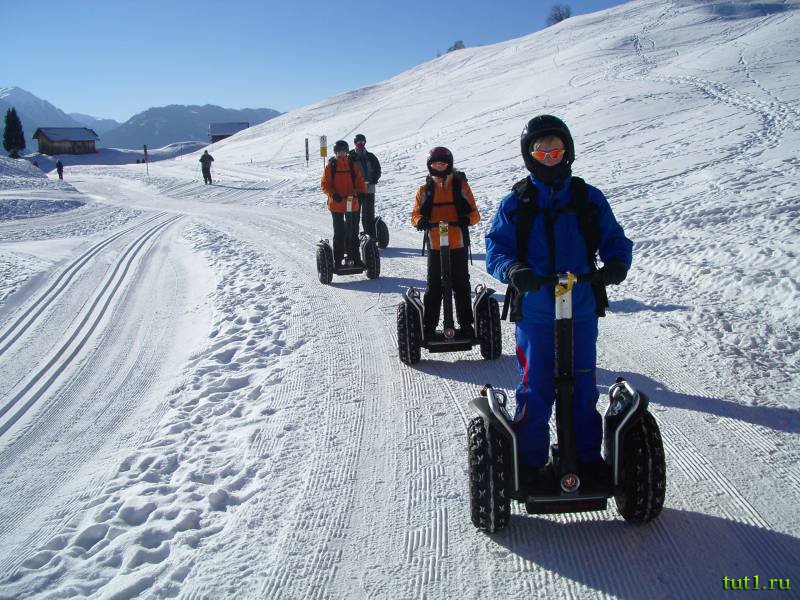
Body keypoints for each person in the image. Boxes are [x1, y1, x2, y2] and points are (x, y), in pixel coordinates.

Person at [485, 115, 633, 483]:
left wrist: (616, 262)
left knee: (582, 386)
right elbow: (496, 248)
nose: (550, 158)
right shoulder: (516, 202)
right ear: (530, 156)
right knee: (535, 388)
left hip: (580, 306)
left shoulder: (587, 198)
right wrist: (513, 270)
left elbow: (614, 238)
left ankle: (585, 459)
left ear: (567, 152)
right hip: (536, 309)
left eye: (556, 151)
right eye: (542, 152)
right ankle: (530, 463)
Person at [411, 147, 480, 339]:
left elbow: (475, 213)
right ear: (430, 166)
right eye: (435, 164)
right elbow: (415, 214)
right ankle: (429, 327)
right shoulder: (424, 190)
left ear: (449, 165)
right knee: (434, 286)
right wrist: (420, 221)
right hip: (435, 245)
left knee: (461, 285)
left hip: (457, 243)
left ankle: (466, 325)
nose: (439, 167)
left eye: (442, 164)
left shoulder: (460, 186)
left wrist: (466, 219)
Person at [321, 140, 367, 267]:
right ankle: (338, 260)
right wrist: (333, 194)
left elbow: (360, 181)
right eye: (339, 152)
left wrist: (361, 192)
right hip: (336, 204)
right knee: (339, 232)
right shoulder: (331, 166)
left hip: (351, 203)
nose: (341, 154)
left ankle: (355, 258)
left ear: (347, 152)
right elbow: (325, 185)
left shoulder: (352, 165)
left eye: (343, 152)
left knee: (353, 231)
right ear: (336, 153)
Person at [348, 134, 382, 239]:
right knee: (354, 214)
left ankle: (370, 237)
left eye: (362, 142)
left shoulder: (370, 156)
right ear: (355, 143)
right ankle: (353, 237)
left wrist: (374, 179)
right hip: (356, 190)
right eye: (358, 142)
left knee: (368, 214)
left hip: (369, 188)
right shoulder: (350, 156)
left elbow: (377, 169)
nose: (361, 144)